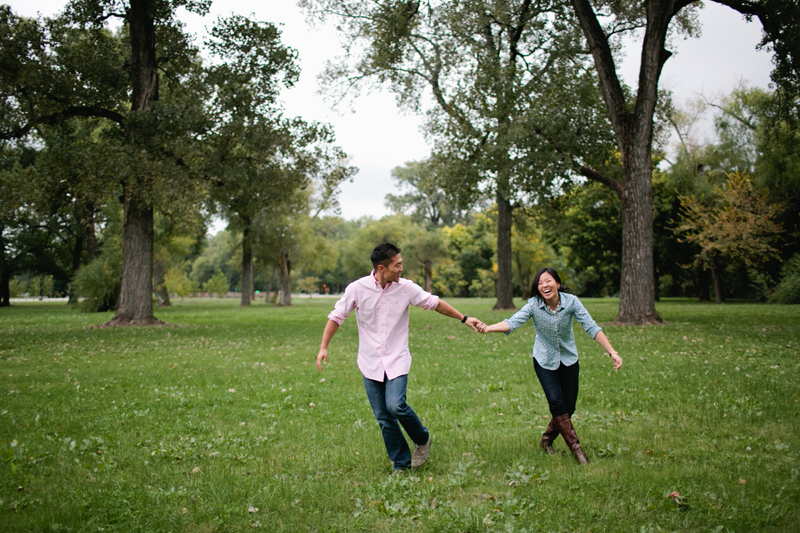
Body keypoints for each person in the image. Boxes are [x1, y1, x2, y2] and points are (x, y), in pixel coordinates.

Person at [316, 243, 484, 472]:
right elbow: (337, 317)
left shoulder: (406, 288)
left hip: (397, 358)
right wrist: (324, 346)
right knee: (384, 418)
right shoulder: (357, 289)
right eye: (398, 265)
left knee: (395, 405)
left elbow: (434, 303)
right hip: (370, 360)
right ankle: (401, 464)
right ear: (382, 268)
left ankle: (422, 438)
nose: (401, 269)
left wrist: (464, 318)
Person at [477, 267, 622, 465]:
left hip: (569, 359)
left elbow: (592, 327)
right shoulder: (534, 305)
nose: (544, 285)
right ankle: (577, 451)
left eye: (548, 281)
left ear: (557, 284)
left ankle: (547, 440)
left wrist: (612, 352)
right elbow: (512, 323)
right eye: (539, 283)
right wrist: (489, 328)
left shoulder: (572, 302)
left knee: (568, 407)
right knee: (556, 402)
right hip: (544, 360)